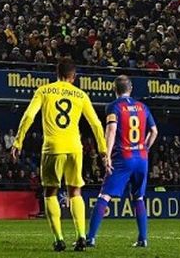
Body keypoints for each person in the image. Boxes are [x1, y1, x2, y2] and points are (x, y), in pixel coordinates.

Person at [10, 58, 107, 252]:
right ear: (74, 76)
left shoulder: (44, 91)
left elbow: (29, 115)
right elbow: (96, 124)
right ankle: (81, 236)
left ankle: (59, 239)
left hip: (53, 148)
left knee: (50, 192)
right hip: (74, 148)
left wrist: (18, 141)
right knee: (75, 192)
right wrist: (103, 149)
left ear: (57, 74)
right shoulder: (80, 94)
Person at [85, 75, 158, 248]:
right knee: (138, 197)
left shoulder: (114, 106)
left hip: (123, 158)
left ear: (114, 89)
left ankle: (91, 237)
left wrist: (107, 155)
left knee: (104, 196)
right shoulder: (142, 107)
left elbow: (111, 130)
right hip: (141, 158)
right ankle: (143, 238)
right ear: (130, 88)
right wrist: (144, 148)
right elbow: (154, 131)